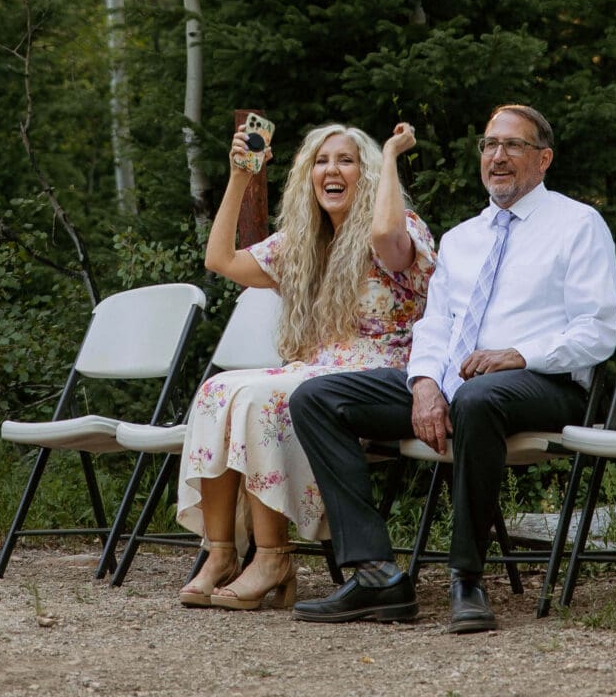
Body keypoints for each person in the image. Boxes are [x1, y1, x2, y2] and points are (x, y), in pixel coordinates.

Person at [289, 104, 616, 633]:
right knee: (315, 398)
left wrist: (520, 354)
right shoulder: (465, 237)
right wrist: (422, 384)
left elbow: (597, 332)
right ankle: (376, 574)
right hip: (458, 384)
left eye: (513, 145)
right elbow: (435, 325)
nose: (498, 156)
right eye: (489, 145)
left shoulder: (578, 225)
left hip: (546, 384)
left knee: (478, 398)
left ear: (543, 159)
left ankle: (467, 576)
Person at [176, 120, 435, 610]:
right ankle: (222, 552)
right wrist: (240, 177)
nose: (331, 170)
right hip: (315, 371)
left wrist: (392, 157)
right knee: (216, 389)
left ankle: (274, 556)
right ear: (307, 176)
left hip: (380, 376)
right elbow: (220, 259)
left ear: (369, 174)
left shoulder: (398, 227)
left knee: (259, 396)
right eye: (321, 161)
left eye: (347, 160)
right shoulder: (302, 242)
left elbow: (384, 233)